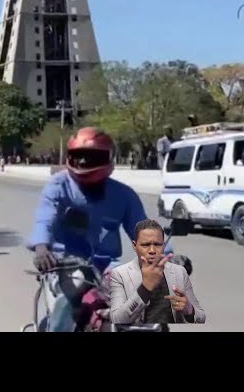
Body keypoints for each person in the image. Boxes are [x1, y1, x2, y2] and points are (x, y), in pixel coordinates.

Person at [27, 127, 173, 332]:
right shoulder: (57, 187)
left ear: (109, 158)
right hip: (64, 264)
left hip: (107, 266)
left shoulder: (124, 195)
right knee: (66, 307)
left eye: (92, 156)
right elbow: (44, 219)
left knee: (151, 311)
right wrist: (42, 248)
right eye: (79, 156)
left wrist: (168, 257)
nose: (84, 162)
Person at [109, 219, 205, 326]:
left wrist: (189, 310)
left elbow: (200, 318)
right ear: (134, 246)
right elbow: (118, 318)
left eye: (157, 245)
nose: (152, 250)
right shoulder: (120, 275)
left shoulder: (174, 277)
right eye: (145, 245)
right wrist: (145, 288)